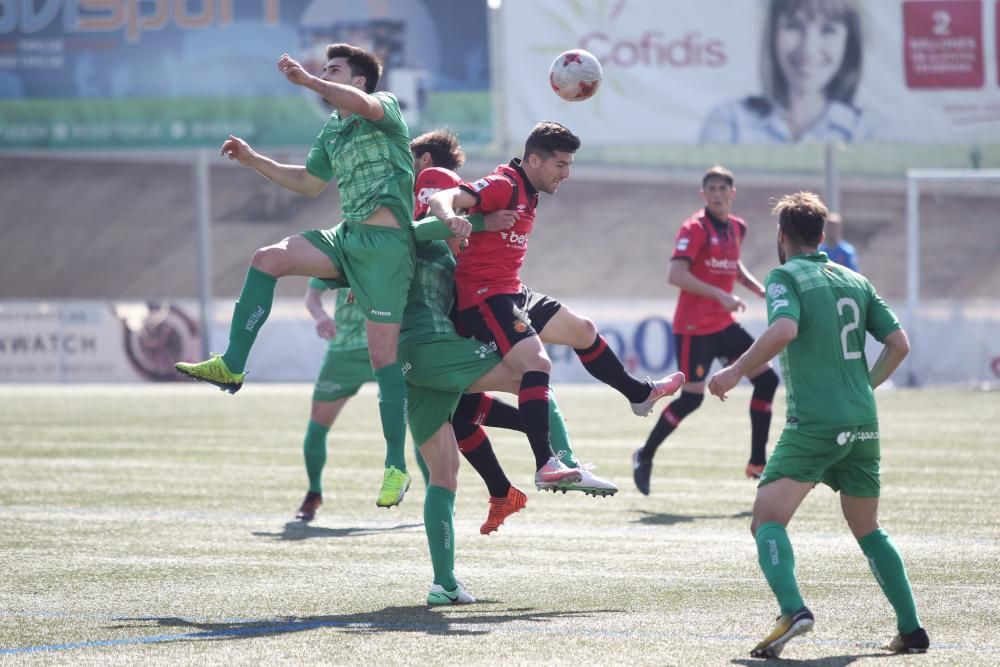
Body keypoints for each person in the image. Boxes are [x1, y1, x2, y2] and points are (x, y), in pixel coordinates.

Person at [175, 44, 449, 510]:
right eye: (323, 70)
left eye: (335, 70)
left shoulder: (385, 107)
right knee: (268, 257)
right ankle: (233, 364)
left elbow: (360, 103)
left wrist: (306, 81)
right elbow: (307, 182)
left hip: (387, 249)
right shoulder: (334, 129)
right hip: (347, 238)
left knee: (384, 356)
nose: (325, 75)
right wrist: (251, 159)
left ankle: (394, 466)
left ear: (359, 79)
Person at [707, 191, 928, 659]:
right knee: (868, 528)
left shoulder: (784, 276)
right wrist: (863, 387)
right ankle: (910, 628)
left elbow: (784, 329)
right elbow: (899, 344)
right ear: (823, 235)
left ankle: (793, 611)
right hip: (862, 420)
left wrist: (734, 370)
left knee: (767, 519)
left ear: (782, 238)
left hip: (816, 422)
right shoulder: (855, 279)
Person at [428, 121, 685, 492]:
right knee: (537, 364)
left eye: (569, 165)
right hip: (484, 297)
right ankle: (545, 463)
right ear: (534, 160)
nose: (566, 174)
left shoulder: (528, 191)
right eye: (560, 165)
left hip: (512, 291)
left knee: (583, 331)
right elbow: (445, 197)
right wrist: (451, 217)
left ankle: (638, 394)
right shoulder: (504, 183)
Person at [633, 165, 780, 494]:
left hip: (724, 325)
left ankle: (758, 462)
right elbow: (676, 275)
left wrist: (756, 289)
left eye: (722, 189)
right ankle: (645, 455)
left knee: (767, 379)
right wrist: (721, 294)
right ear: (703, 194)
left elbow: (732, 263)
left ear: (732, 193)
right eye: (711, 189)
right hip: (693, 329)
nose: (717, 194)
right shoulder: (694, 228)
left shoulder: (737, 227)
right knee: (691, 401)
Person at [699, 0, 885, 144]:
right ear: (772, 35)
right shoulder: (729, 123)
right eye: (793, 26)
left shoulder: (869, 130)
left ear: (849, 43)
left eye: (828, 30)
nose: (808, 49)